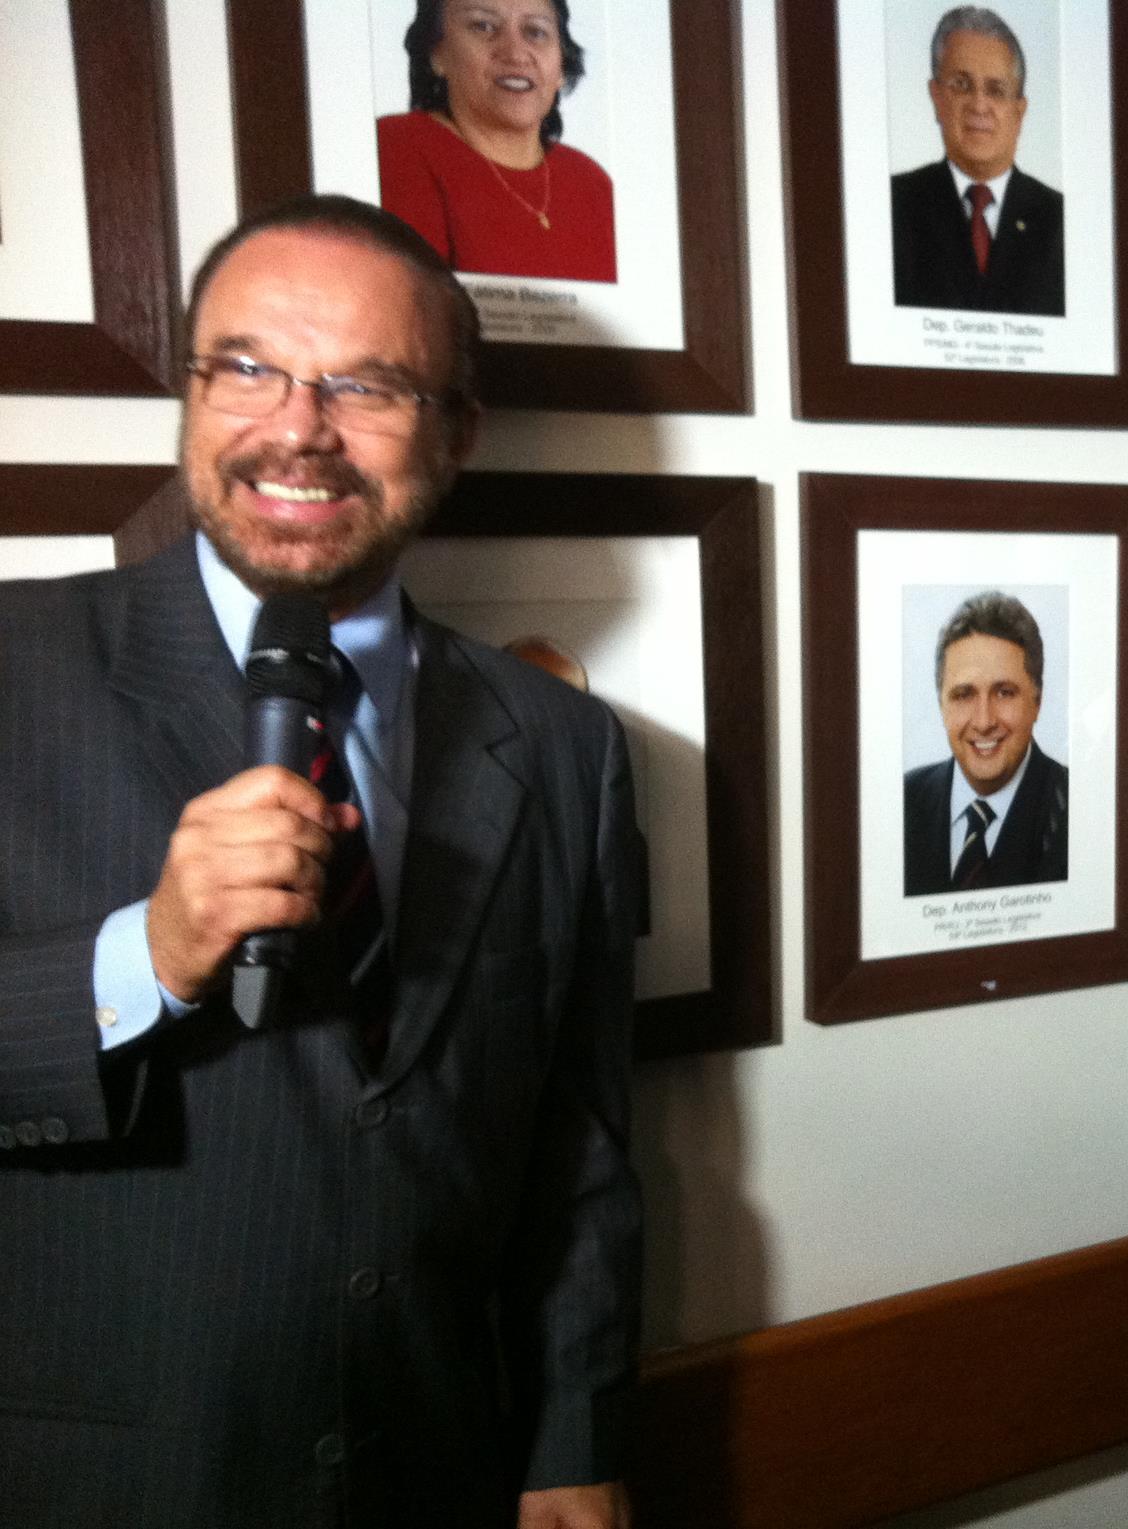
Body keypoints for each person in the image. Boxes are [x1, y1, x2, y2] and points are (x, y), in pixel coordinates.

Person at [0, 195, 641, 1528]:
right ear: (187, 393)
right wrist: (148, 958)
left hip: (441, 1469)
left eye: (366, 385)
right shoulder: (14, 669)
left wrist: (572, 1434)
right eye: (247, 367)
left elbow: (576, 1139)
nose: (297, 426)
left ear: (453, 435)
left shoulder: (563, 746)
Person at [377, 0, 617, 283]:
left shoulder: (591, 182)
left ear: (562, 67)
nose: (516, 54)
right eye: (483, 26)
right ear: (436, 53)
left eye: (535, 32)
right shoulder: (396, 146)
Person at [891, 7, 1065, 318]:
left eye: (996, 90)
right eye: (961, 85)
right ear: (936, 97)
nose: (979, 105)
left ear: (1019, 111)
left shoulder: (1061, 220)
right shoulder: (892, 205)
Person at [904, 591, 1068, 897]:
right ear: (941, 704)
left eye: (1004, 692)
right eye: (964, 694)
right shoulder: (901, 803)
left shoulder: (1077, 811)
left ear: (1037, 700)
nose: (983, 721)